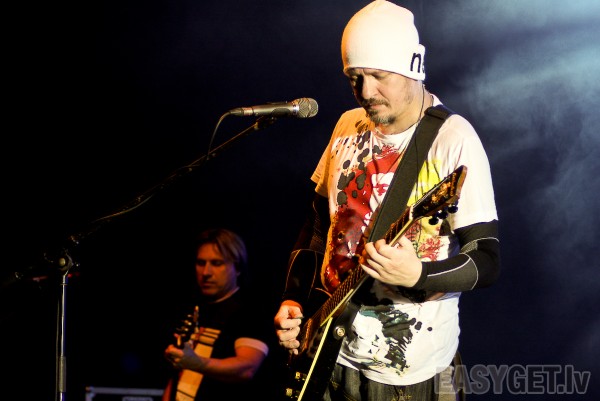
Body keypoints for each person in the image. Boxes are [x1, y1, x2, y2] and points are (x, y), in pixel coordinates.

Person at [273, 1, 500, 400]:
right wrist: (293, 297)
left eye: (379, 76)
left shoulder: (454, 140)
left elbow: (486, 259)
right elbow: (318, 226)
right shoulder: (347, 125)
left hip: (409, 374)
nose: (365, 92)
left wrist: (418, 275)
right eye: (355, 78)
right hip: (328, 350)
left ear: (414, 67)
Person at [162, 228, 271, 401]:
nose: (206, 272)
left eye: (217, 263)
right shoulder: (197, 307)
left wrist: (196, 363)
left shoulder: (250, 311)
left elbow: (247, 368)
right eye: (201, 263)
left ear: (237, 268)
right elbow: (180, 370)